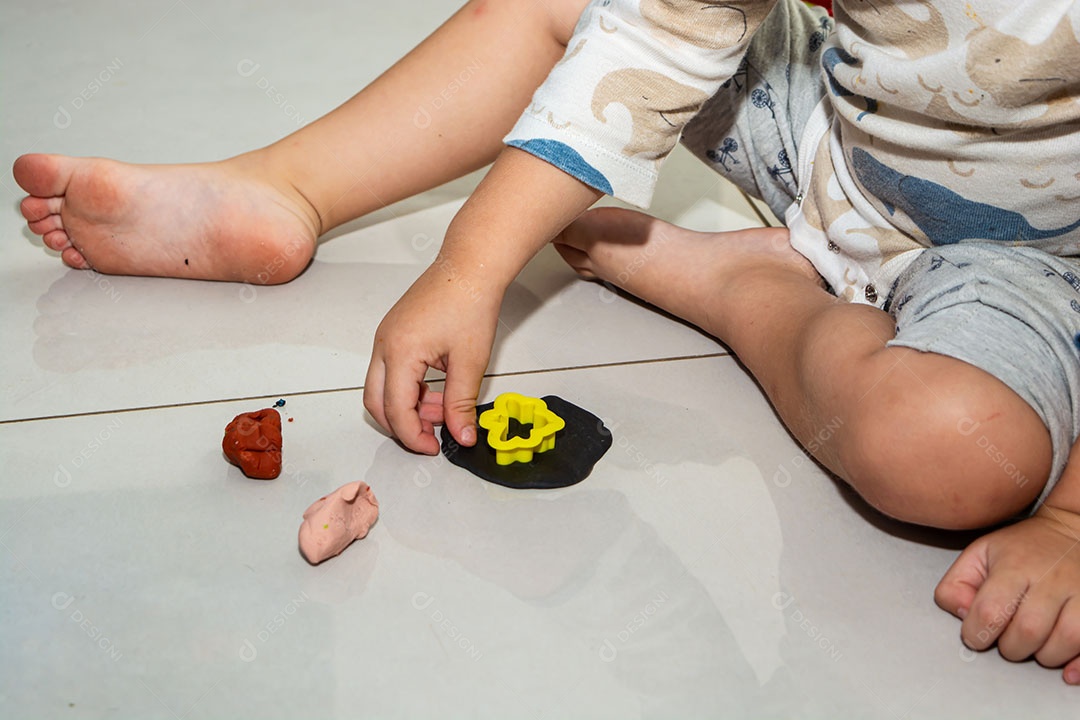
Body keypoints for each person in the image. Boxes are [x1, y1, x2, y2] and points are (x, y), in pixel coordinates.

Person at [13, 0, 1080, 683]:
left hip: (1026, 266)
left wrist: (1070, 523)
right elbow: (656, 36)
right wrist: (471, 263)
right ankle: (284, 187)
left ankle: (749, 292)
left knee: (945, 451)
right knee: (570, 7)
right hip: (830, 132)